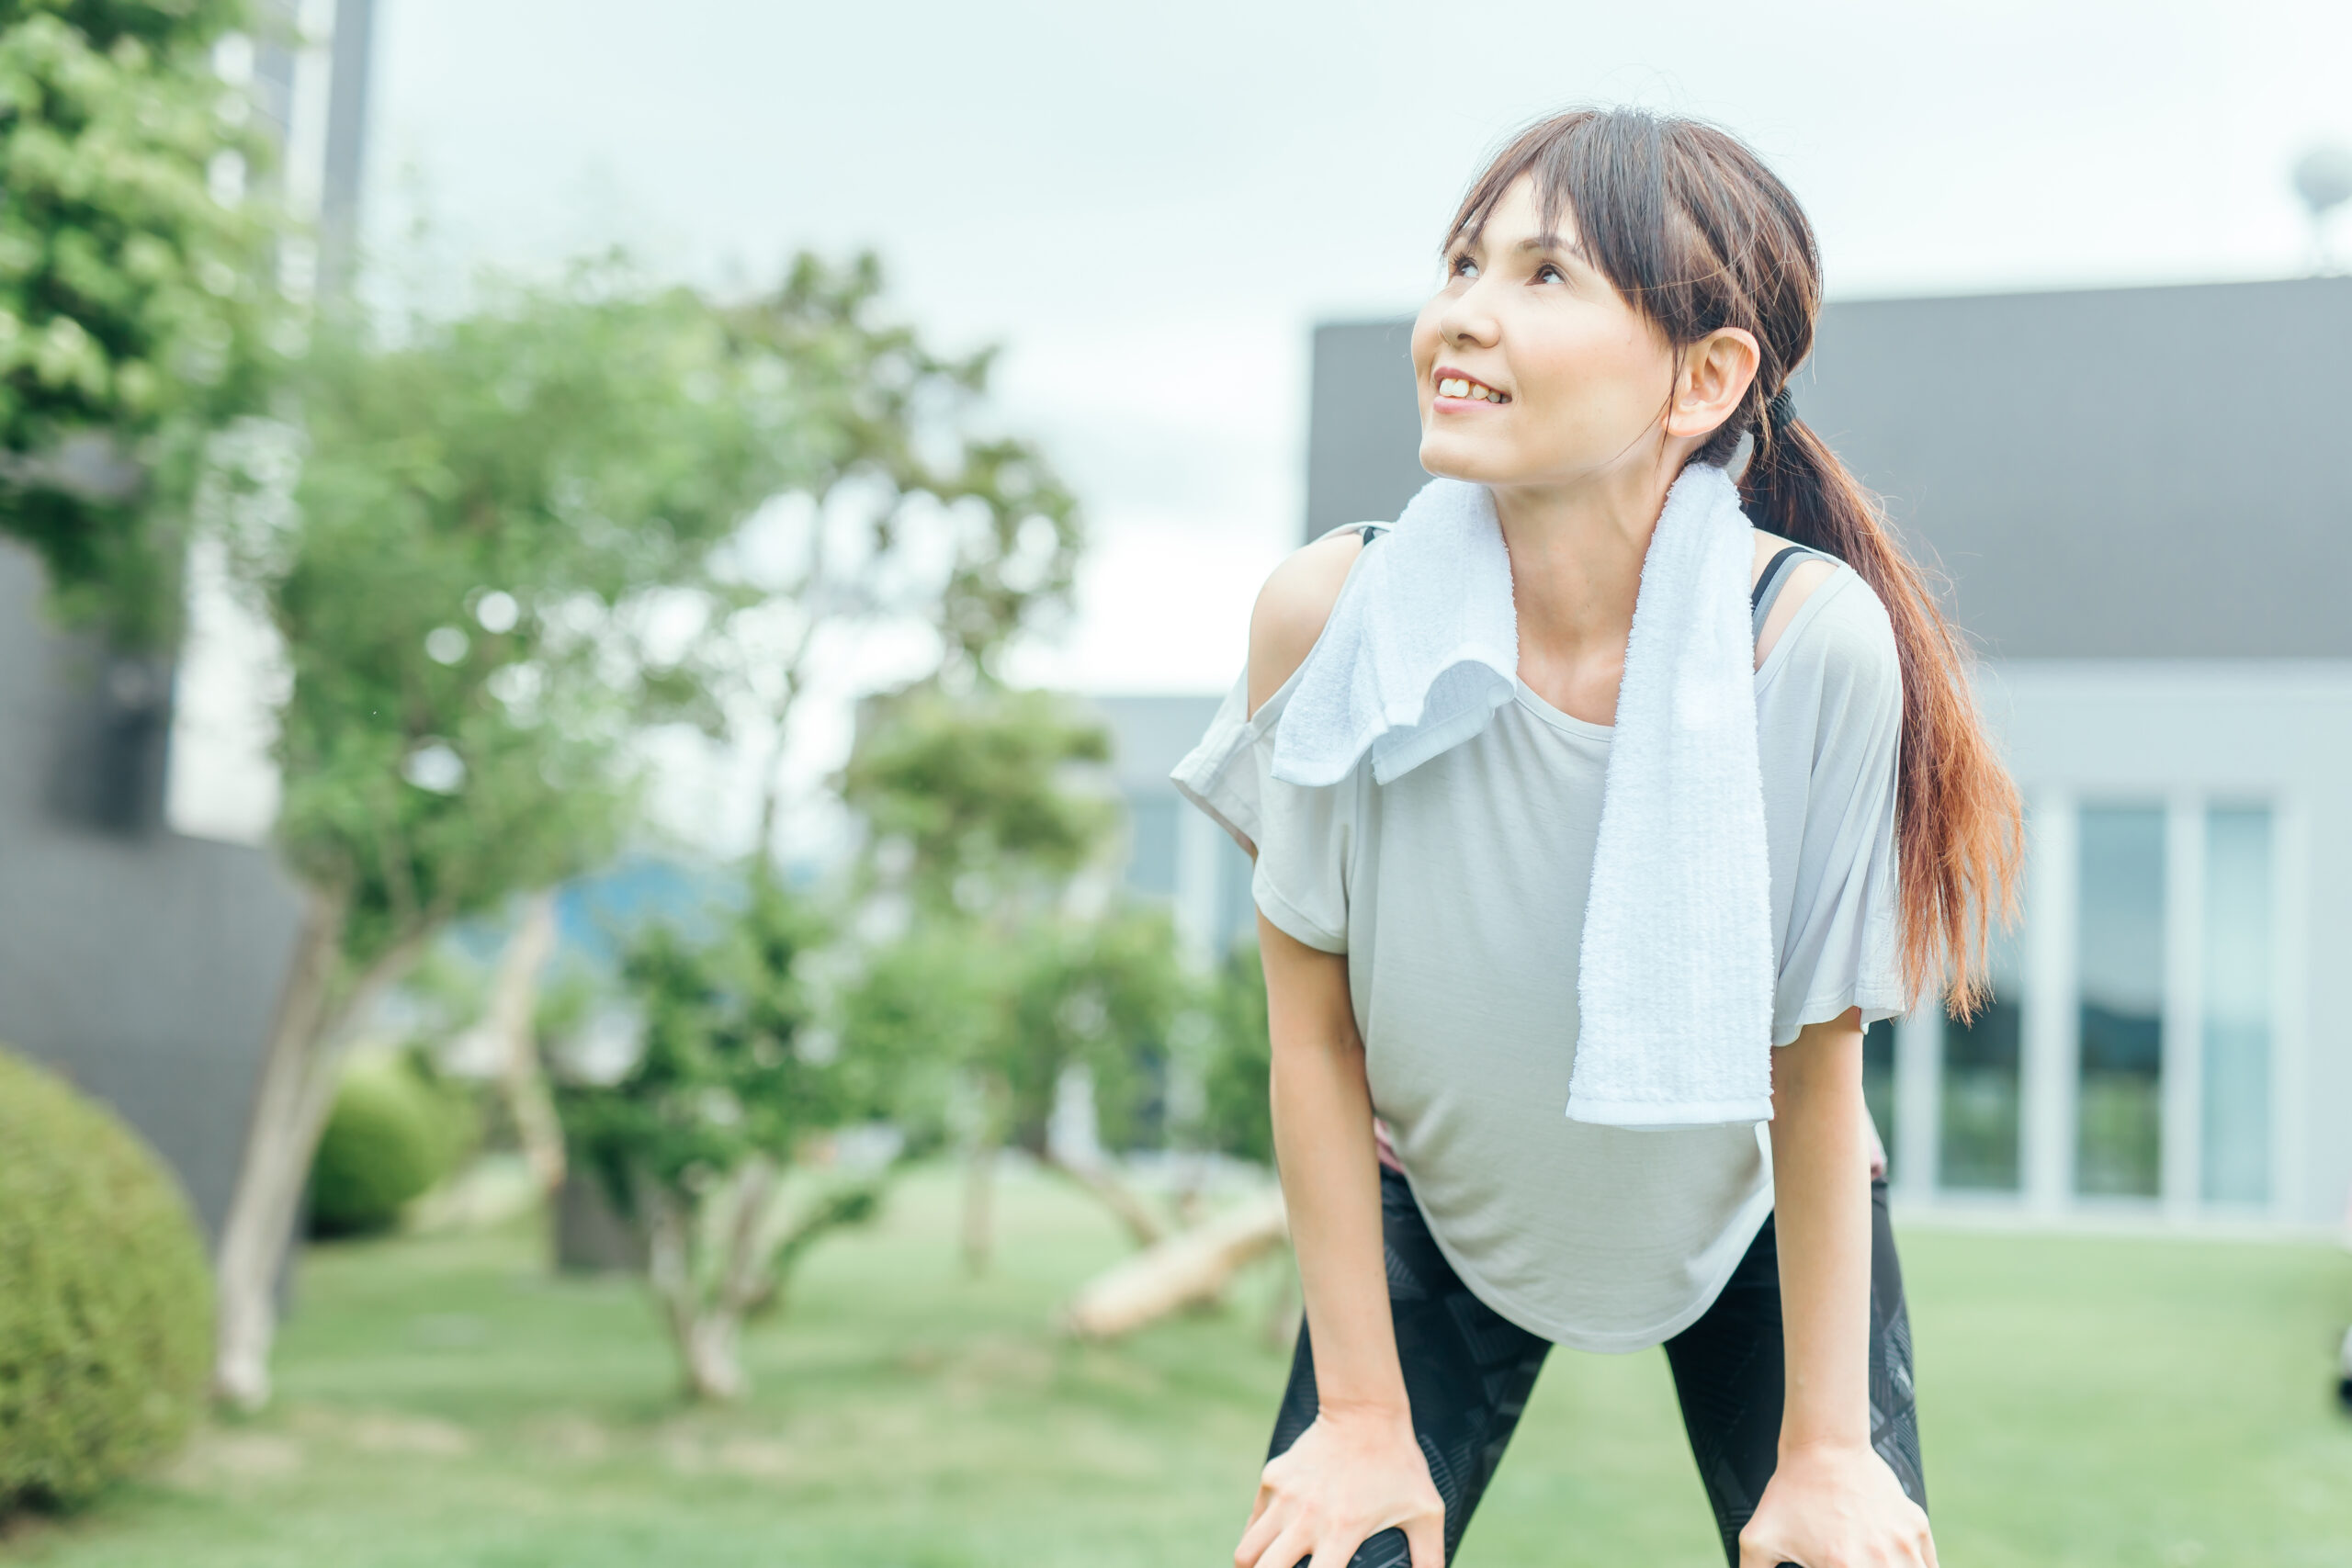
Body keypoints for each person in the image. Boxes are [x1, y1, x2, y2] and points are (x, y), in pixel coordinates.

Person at [1170, 109, 2022, 1568]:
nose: (1462, 316)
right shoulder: (1327, 619)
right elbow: (1312, 1037)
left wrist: (1826, 1455)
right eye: (1461, 262)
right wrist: (1362, 1419)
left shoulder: (1803, 645)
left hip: (1749, 1204)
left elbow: (1818, 1074)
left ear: (1705, 376)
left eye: (1544, 277)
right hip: (1431, 1193)